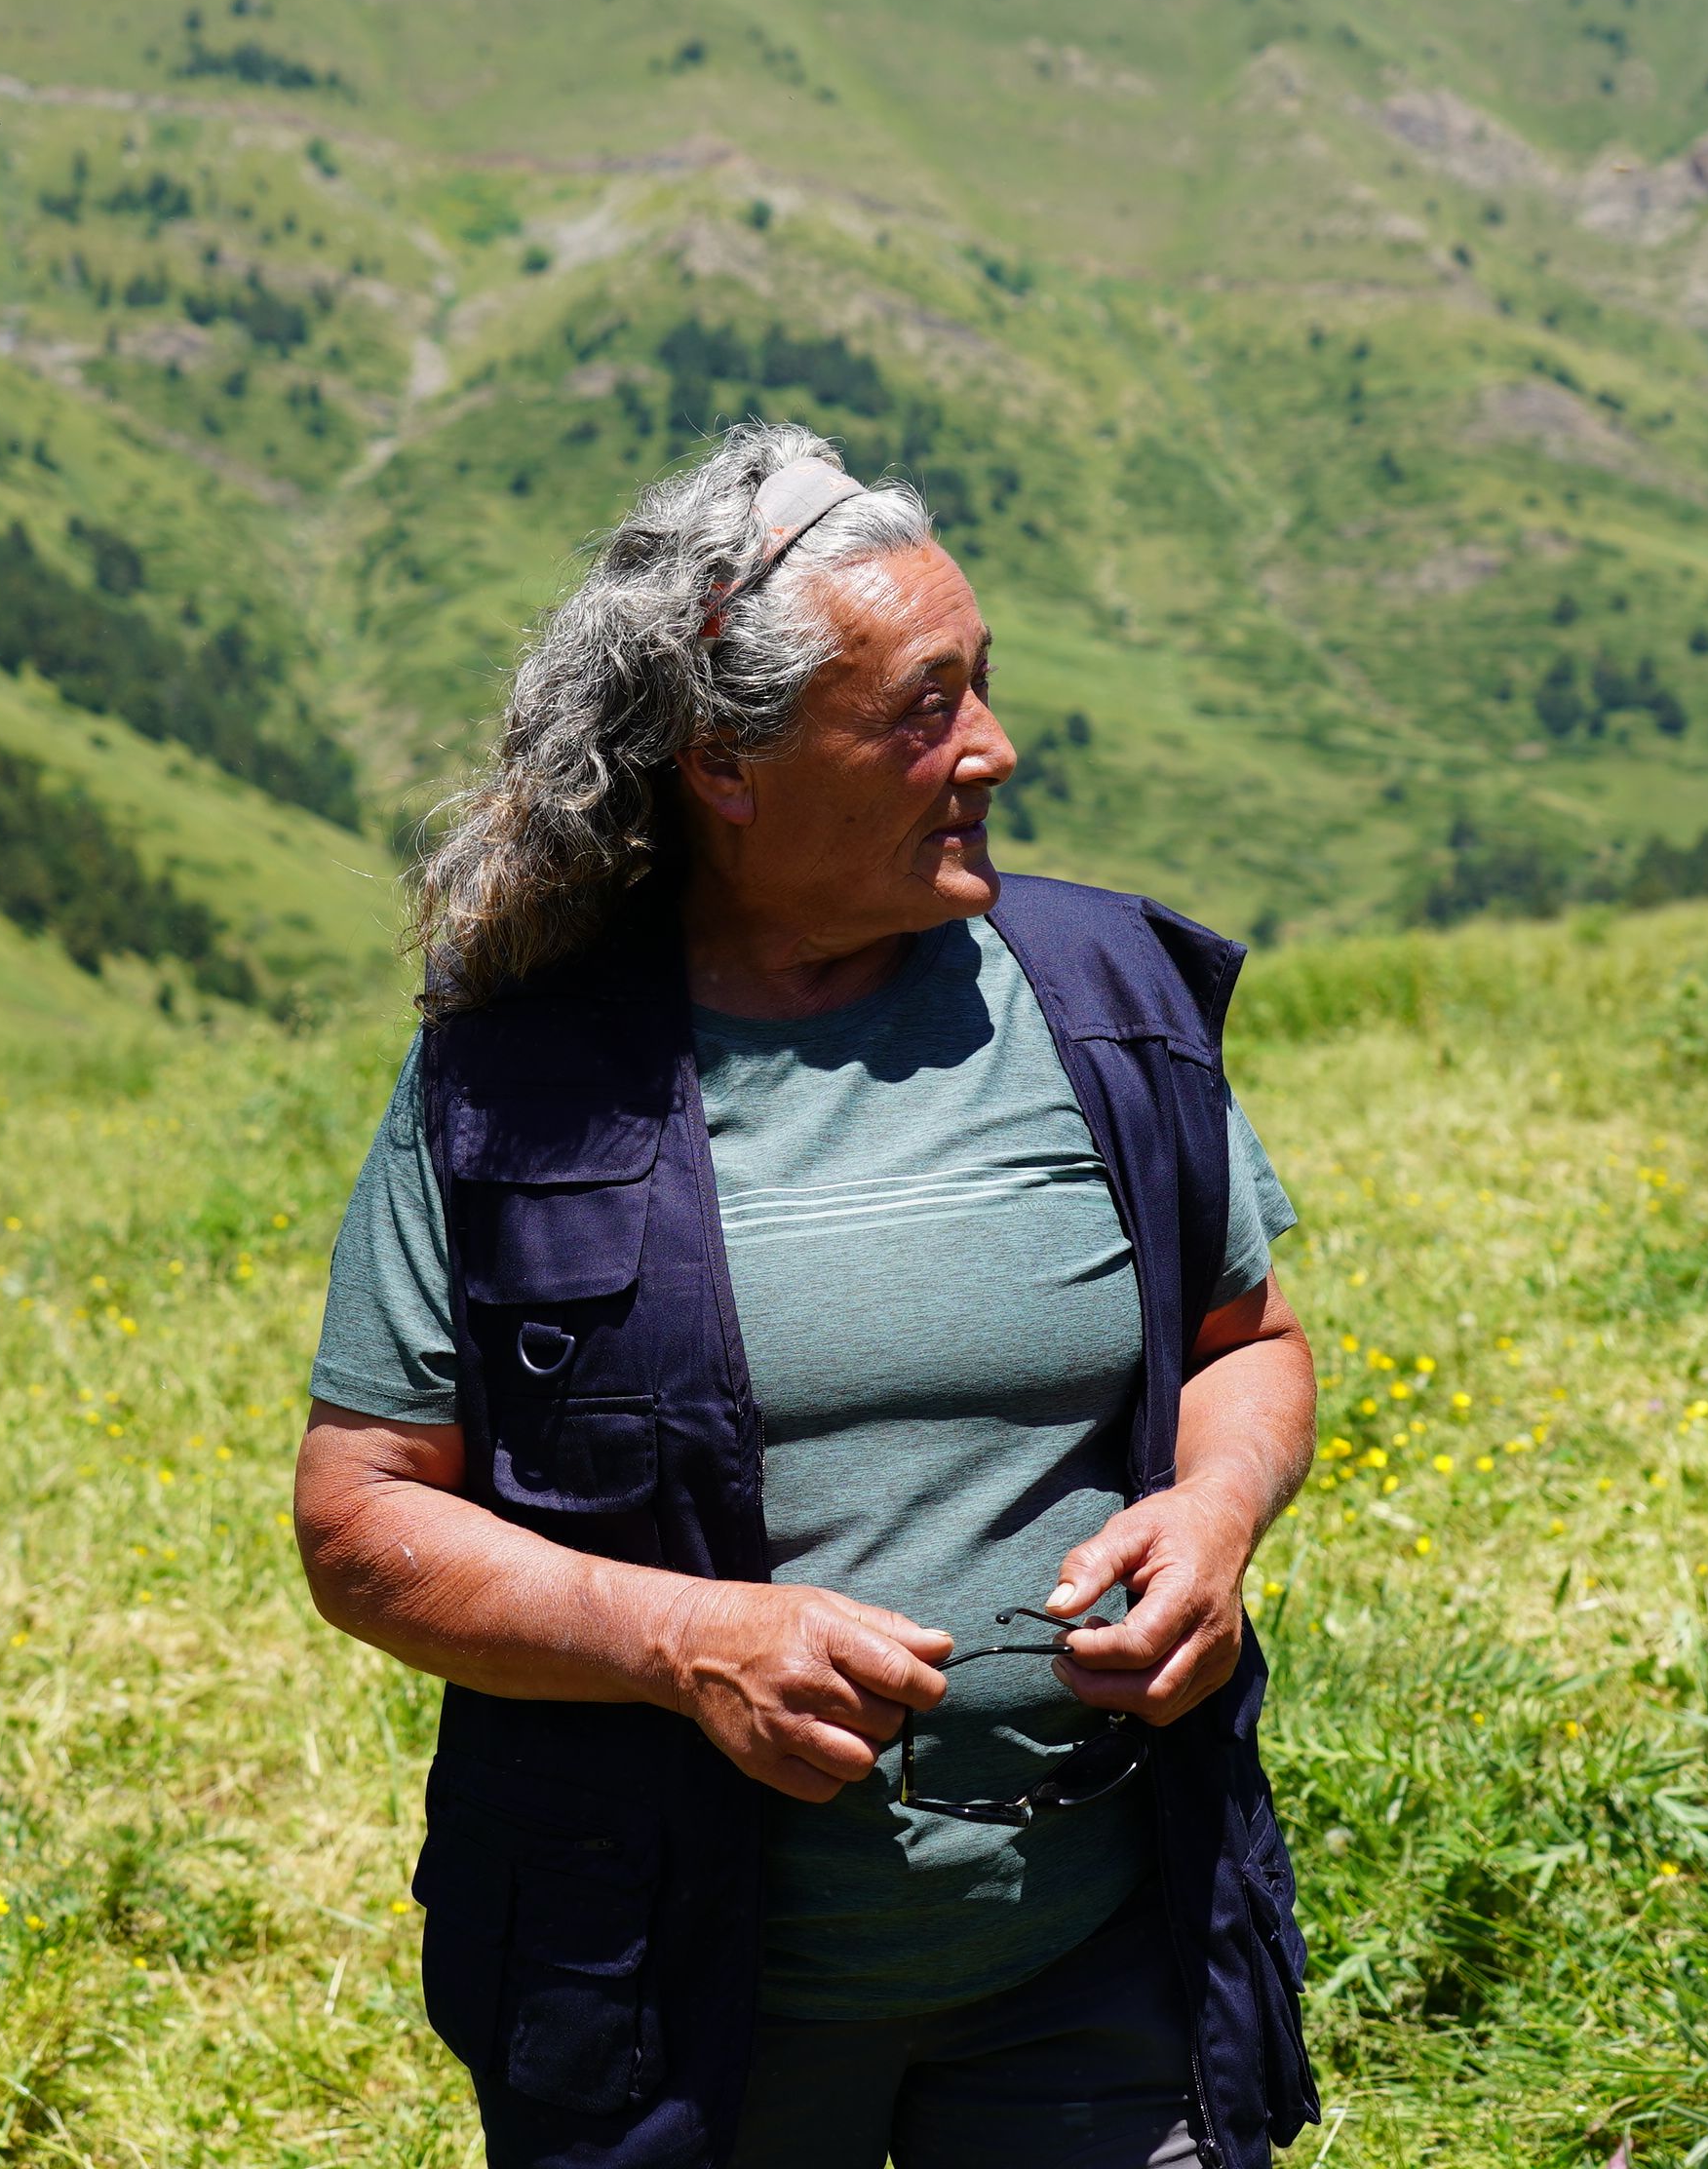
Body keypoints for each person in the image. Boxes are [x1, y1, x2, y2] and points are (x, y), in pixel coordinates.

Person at [291, 424, 1318, 2169]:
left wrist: (1216, 1512)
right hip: (678, 2017)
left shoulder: (1102, 1001)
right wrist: (685, 1644)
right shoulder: (518, 1085)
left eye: (981, 685)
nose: (991, 747)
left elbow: (1251, 1344)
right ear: (727, 767)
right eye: (923, 708)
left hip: (1102, 1966)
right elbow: (362, 1519)